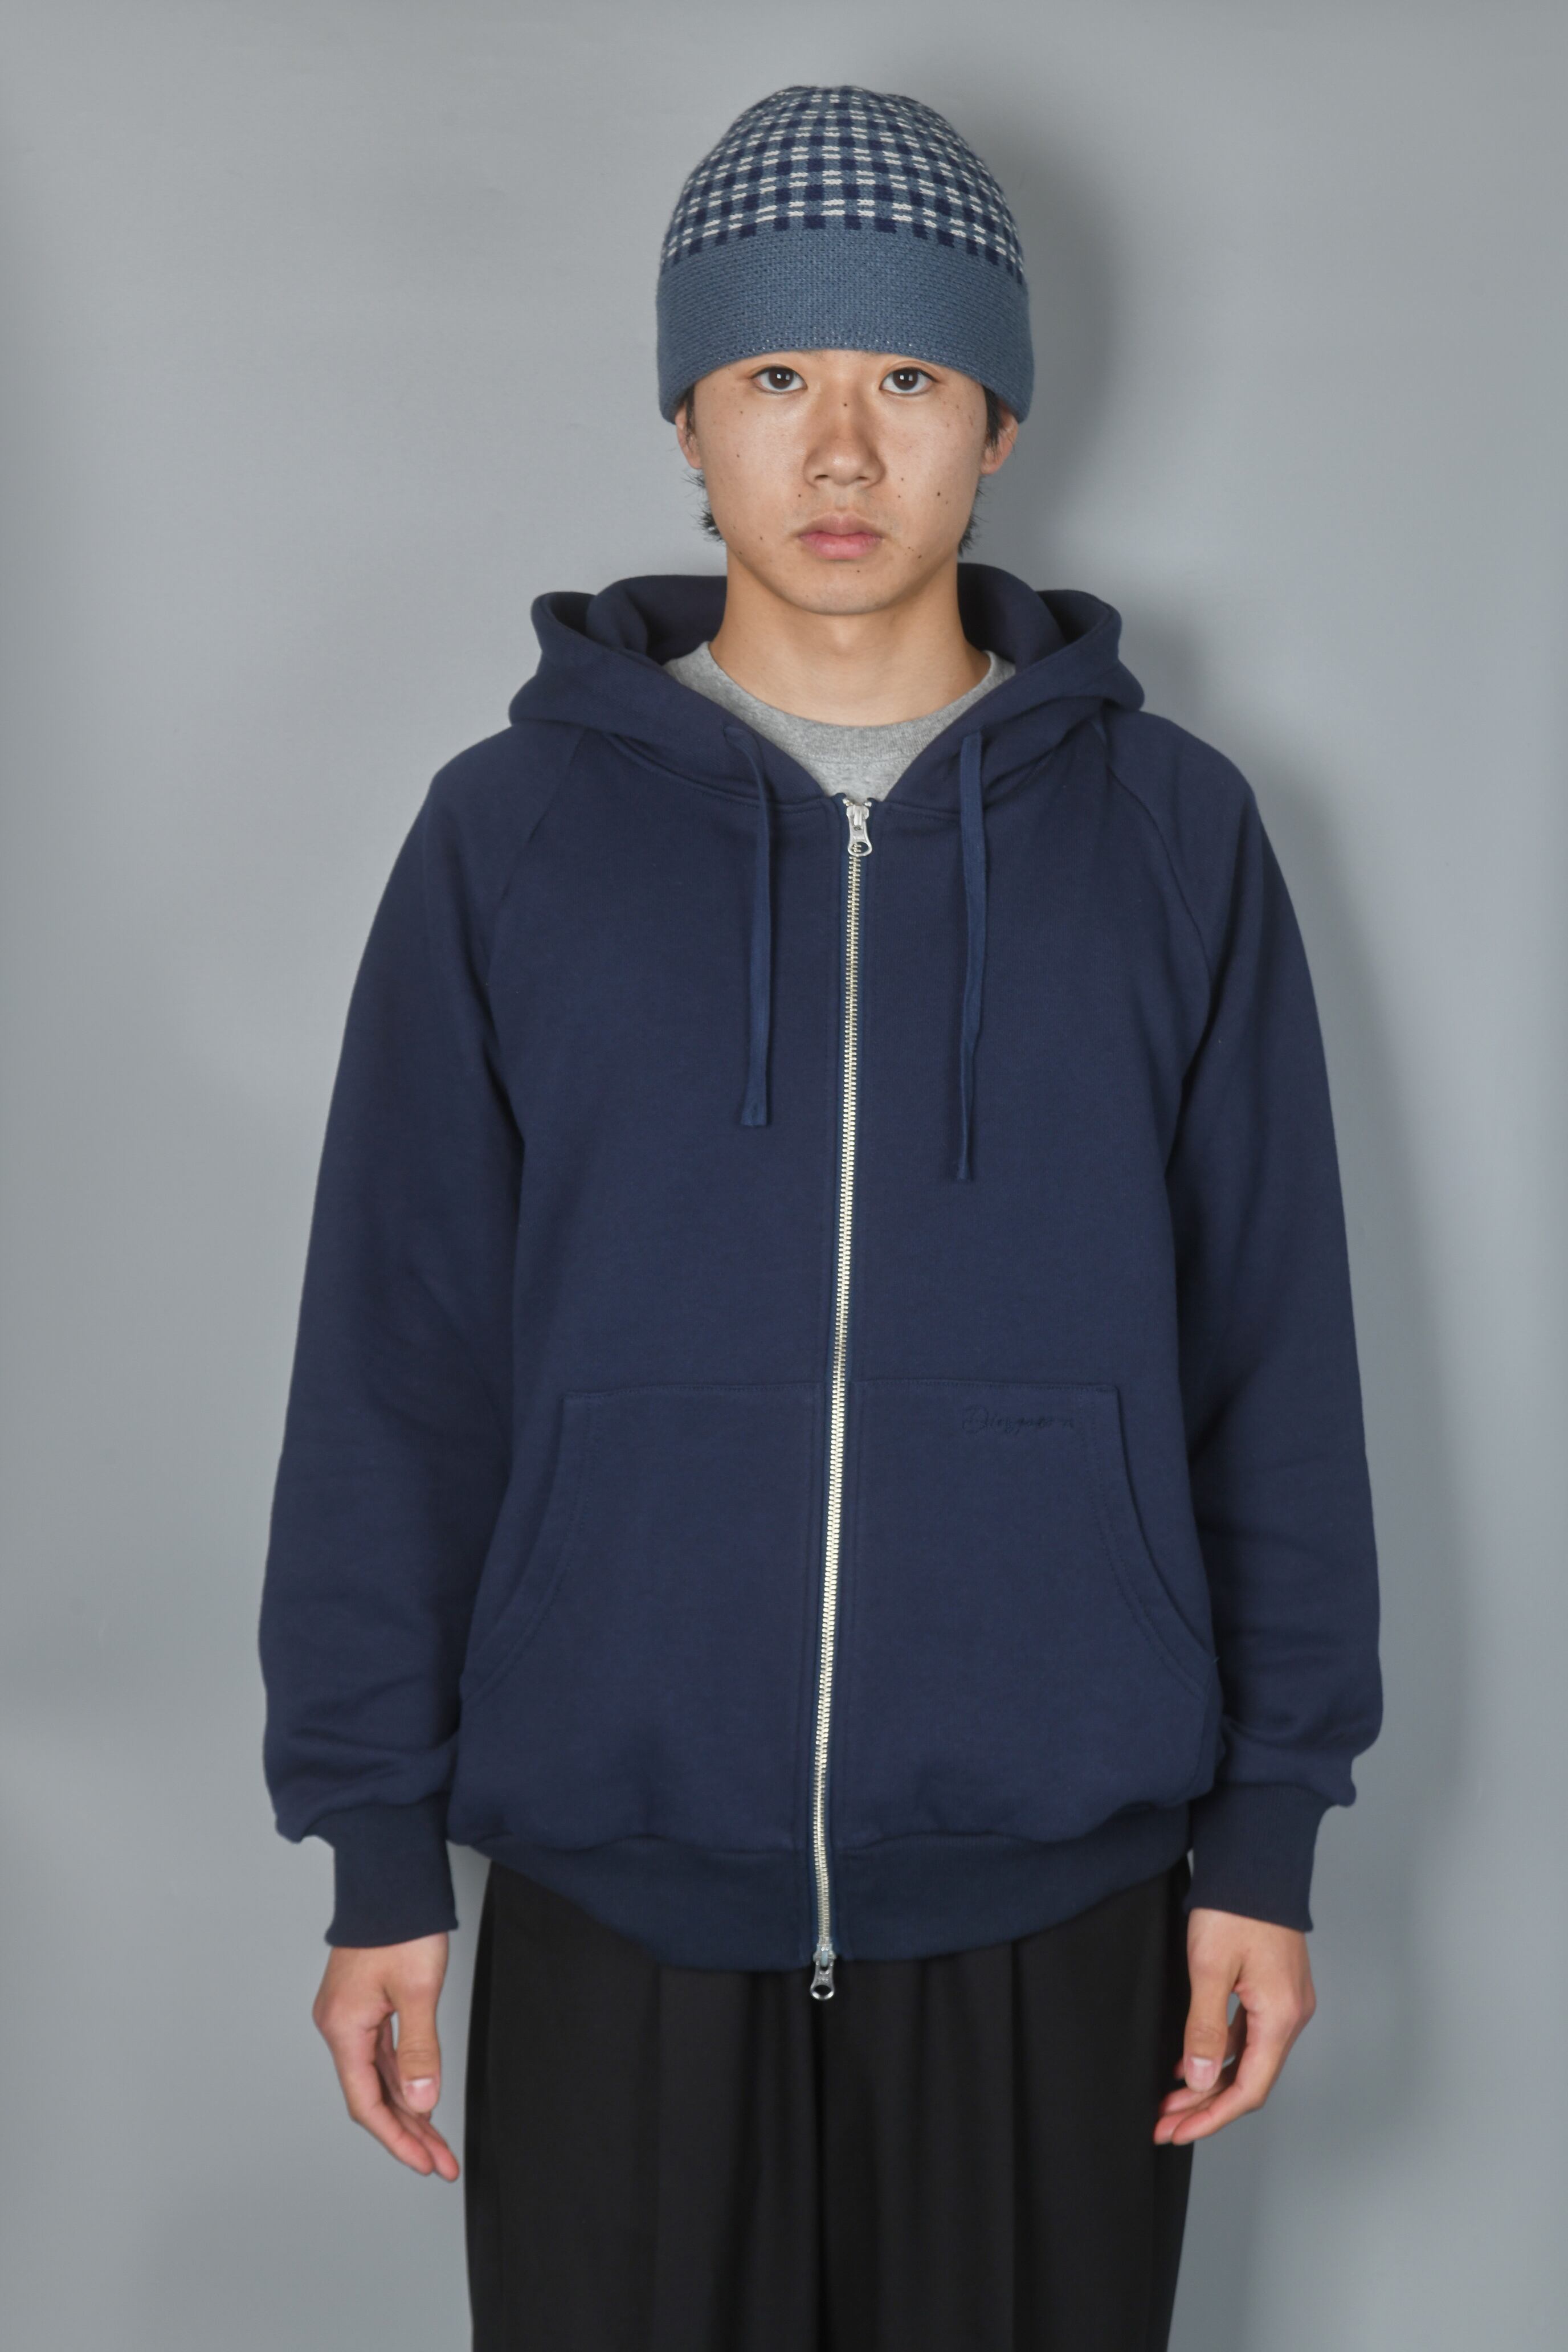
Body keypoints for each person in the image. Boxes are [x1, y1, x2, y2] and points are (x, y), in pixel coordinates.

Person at [258, 83, 1382, 2351]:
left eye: (908, 377)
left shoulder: (1171, 838)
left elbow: (1271, 1350)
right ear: (689, 416)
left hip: (1061, 1896)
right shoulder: (509, 836)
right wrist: (378, 1843)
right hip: (615, 1894)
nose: (842, 448)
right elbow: (399, 1360)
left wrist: (1266, 1833)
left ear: (999, 422)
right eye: (777, 373)